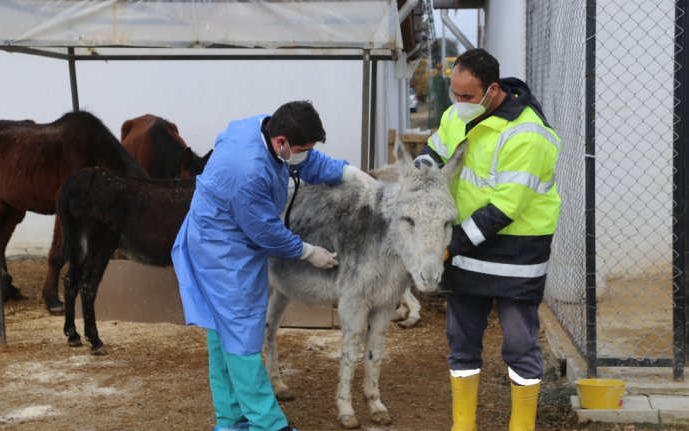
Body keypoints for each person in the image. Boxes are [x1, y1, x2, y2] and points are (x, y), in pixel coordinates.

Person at [171, 100, 374, 431]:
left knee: (223, 334)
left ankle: (231, 418)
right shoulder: (248, 172)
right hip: (221, 253)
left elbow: (306, 162)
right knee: (241, 336)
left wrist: (348, 172)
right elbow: (266, 230)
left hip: (222, 238)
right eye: (301, 148)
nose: (305, 155)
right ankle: (267, 424)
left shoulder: (257, 127)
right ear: (281, 142)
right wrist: (309, 251)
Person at [415, 48, 561, 431]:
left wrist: (451, 246)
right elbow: (435, 150)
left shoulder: (528, 134)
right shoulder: (458, 114)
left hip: (515, 250)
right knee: (461, 340)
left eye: (466, 96)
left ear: (492, 90)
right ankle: (463, 425)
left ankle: (521, 426)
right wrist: (417, 177)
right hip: (466, 247)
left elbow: (504, 208)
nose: (457, 103)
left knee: (518, 344)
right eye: (454, 94)